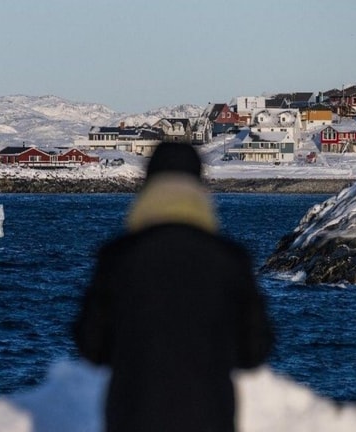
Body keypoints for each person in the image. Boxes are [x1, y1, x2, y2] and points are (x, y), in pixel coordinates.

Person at [73, 141, 273, 432]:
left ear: (148, 187)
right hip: (209, 417)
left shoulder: (117, 256)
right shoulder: (230, 259)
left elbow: (91, 345)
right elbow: (254, 350)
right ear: (200, 187)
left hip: (134, 417)